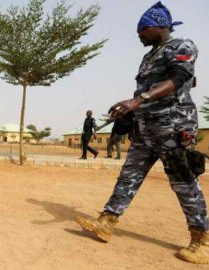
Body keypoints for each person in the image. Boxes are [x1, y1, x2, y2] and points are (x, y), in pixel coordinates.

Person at [75, 2, 208, 264]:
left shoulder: (183, 46)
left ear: (159, 26)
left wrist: (137, 101)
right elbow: (142, 94)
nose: (139, 35)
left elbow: (179, 78)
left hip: (174, 127)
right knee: (128, 176)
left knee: (183, 183)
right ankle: (107, 221)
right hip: (146, 128)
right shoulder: (148, 57)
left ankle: (202, 239)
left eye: (142, 30)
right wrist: (132, 116)